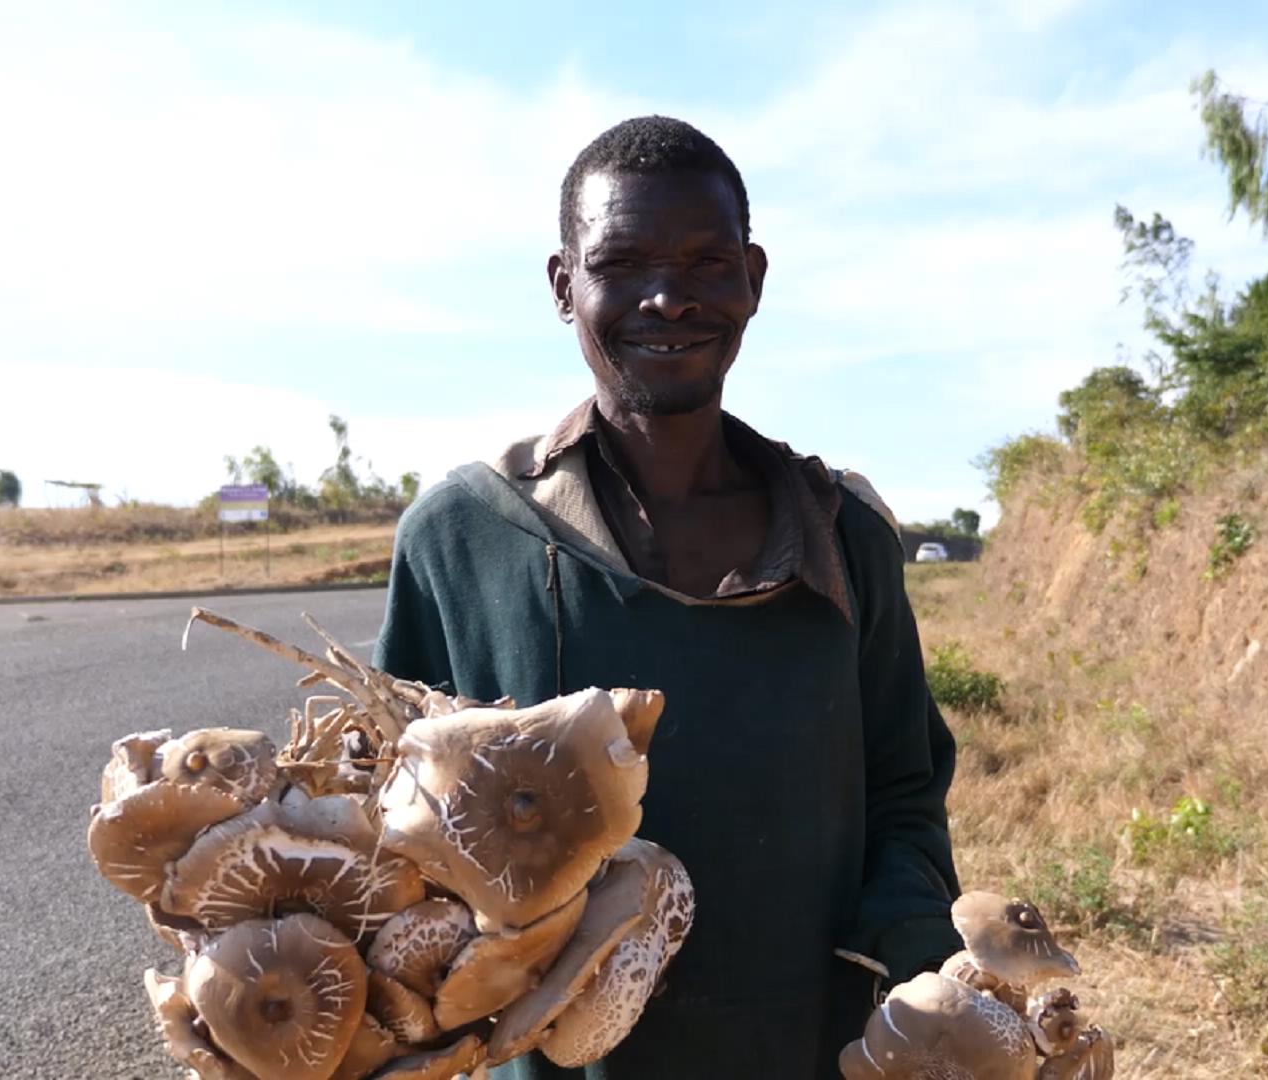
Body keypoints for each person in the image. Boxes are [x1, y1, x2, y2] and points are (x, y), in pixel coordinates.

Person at [373, 115, 961, 1079]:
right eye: (624, 262)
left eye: (706, 264)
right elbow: (388, 831)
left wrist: (919, 969)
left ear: (754, 279)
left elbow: (904, 794)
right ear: (565, 287)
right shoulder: (466, 536)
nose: (668, 298)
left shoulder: (844, 540)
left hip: (809, 1053)